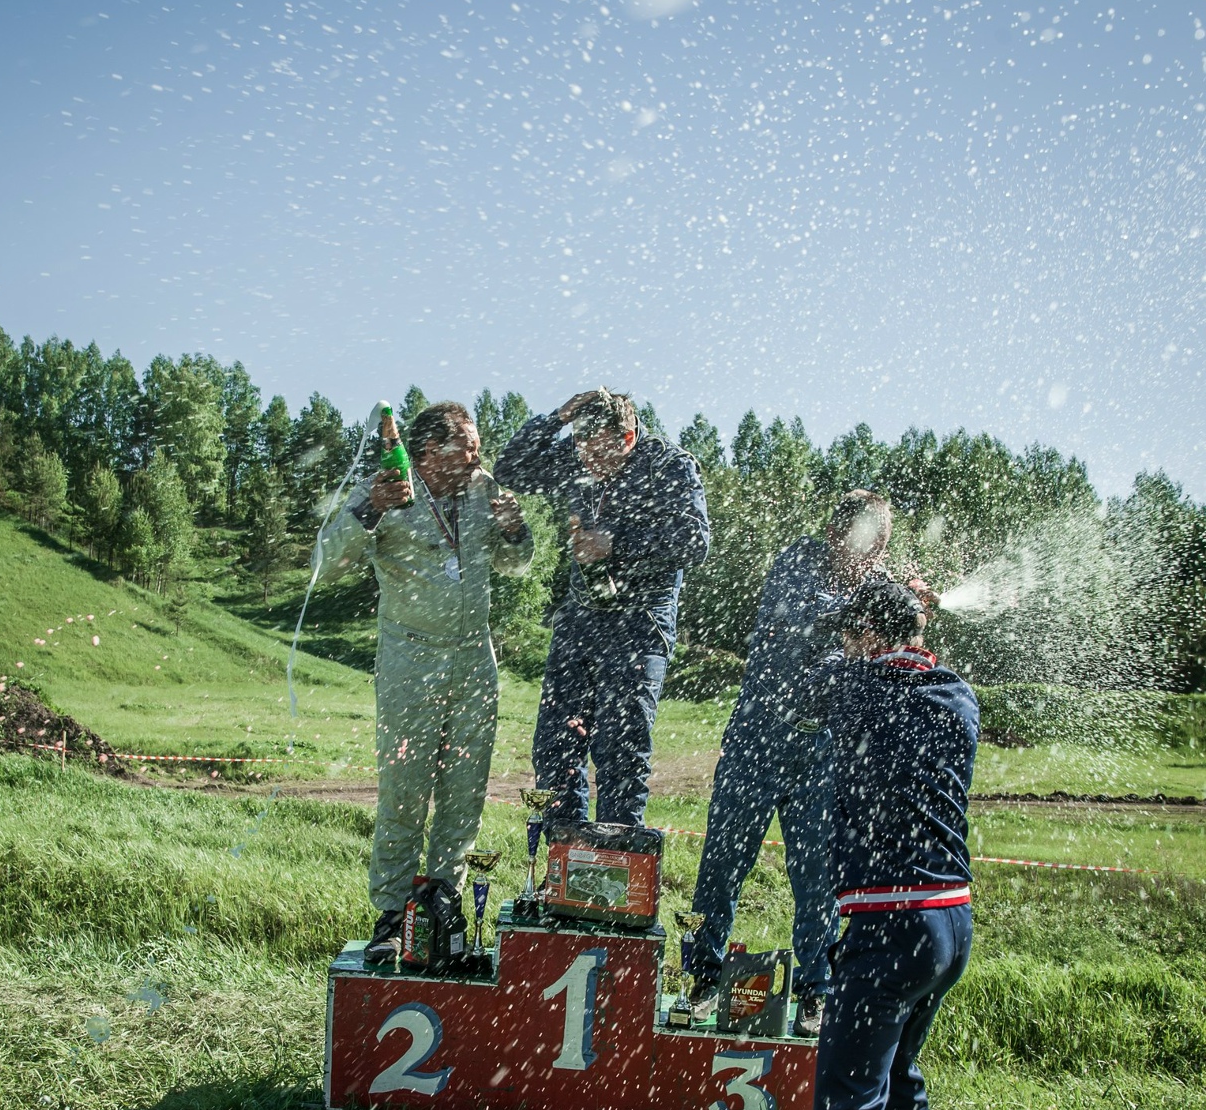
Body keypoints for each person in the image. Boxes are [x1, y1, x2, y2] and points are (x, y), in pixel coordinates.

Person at [790, 578, 978, 1110]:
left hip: (891, 928)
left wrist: (861, 625)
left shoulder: (856, 690)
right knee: (901, 1073)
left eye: (850, 634)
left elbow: (804, 681)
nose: (841, 645)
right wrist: (902, 611)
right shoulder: (957, 695)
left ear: (868, 638)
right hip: (951, 921)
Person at [316, 402, 534, 965]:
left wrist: (516, 528)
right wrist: (368, 509)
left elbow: (517, 564)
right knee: (406, 790)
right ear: (429, 452)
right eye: (467, 447)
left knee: (465, 790)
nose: (478, 457)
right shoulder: (388, 489)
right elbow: (326, 564)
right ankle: (392, 916)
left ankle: (442, 908)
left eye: (478, 447)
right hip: (411, 658)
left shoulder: (484, 489)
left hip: (475, 658)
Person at [684, 490, 894, 1038]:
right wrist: (867, 612)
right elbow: (801, 629)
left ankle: (815, 992)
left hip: (822, 750)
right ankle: (702, 978)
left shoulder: (876, 587)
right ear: (837, 534)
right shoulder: (799, 561)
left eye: (882, 546)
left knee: (818, 879)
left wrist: (902, 611)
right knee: (723, 864)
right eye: (868, 543)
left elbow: (881, 659)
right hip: (759, 737)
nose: (874, 556)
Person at [494, 388, 709, 826]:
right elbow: (510, 468)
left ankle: (616, 857)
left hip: (640, 622)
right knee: (556, 745)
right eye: (582, 449)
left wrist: (616, 543)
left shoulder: (668, 463)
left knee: (620, 748)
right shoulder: (577, 452)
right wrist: (558, 417)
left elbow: (695, 542)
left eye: (599, 453)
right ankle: (564, 854)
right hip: (580, 618)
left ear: (627, 438)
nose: (589, 461)